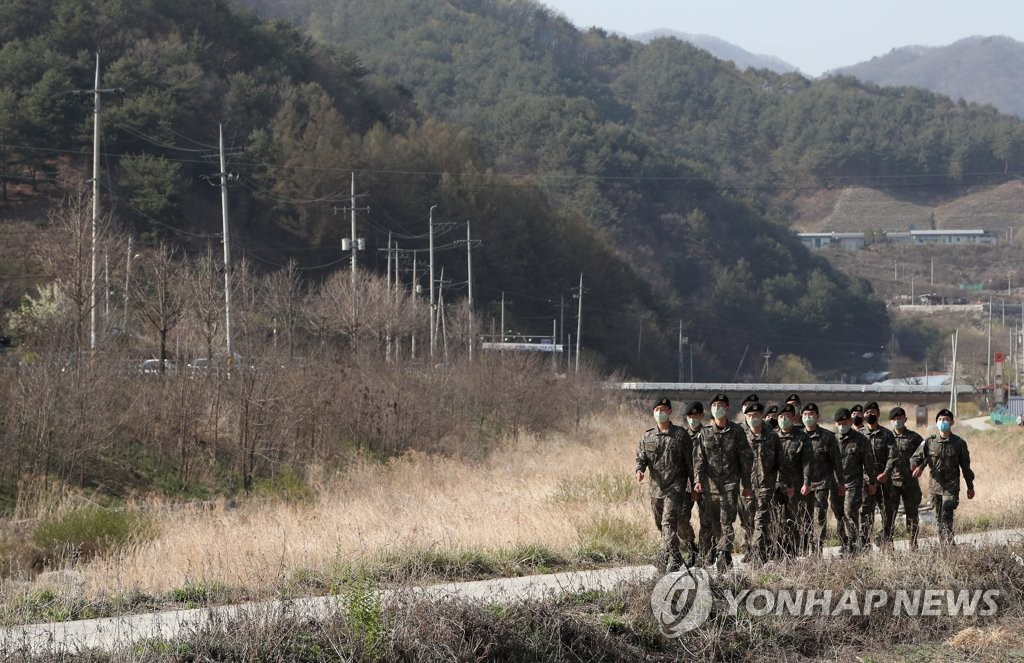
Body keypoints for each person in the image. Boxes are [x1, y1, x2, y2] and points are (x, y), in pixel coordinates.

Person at [693, 393, 753, 569]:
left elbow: (745, 458)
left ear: (727, 408)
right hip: (709, 487)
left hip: (730, 485)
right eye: (714, 406)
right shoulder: (704, 433)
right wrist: (697, 481)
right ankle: (712, 554)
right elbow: (699, 459)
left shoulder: (737, 432)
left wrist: (747, 484)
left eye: (720, 405)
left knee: (727, 521)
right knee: (711, 523)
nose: (717, 408)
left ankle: (724, 554)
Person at [635, 397, 694, 572]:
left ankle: (666, 558)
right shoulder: (648, 436)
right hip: (656, 488)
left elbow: (690, 462)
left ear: (669, 412)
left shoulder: (680, 435)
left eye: (663, 410)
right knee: (661, 524)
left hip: (676, 487)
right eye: (656, 410)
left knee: (669, 522)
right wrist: (639, 470)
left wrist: (694, 484)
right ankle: (676, 555)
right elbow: (641, 458)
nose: (659, 413)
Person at [910, 408, 976, 546]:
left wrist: (970, 487)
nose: (943, 422)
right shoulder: (930, 441)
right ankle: (943, 544)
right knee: (939, 518)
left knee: (947, 511)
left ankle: (950, 542)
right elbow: (916, 457)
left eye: (946, 419)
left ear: (952, 422)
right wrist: (916, 465)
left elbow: (966, 467)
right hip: (935, 487)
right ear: (936, 423)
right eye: (940, 420)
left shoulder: (959, 443)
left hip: (951, 487)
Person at [742, 401, 788, 564]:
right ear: (746, 418)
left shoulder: (772, 437)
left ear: (762, 416)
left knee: (761, 520)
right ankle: (749, 548)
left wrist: (783, 485)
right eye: (750, 416)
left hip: (766, 487)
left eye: (756, 415)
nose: (753, 418)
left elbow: (781, 463)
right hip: (746, 487)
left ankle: (757, 551)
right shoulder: (741, 437)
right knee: (747, 520)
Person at [801, 403, 844, 555]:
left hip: (822, 483)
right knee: (804, 517)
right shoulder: (798, 436)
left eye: (811, 414)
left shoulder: (828, 437)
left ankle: (817, 549)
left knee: (819, 517)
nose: (808, 417)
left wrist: (841, 483)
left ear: (817, 416)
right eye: (805, 414)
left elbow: (837, 462)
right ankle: (803, 547)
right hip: (802, 485)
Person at [833, 407, 877, 555]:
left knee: (850, 513)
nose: (842, 425)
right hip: (836, 484)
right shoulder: (832, 439)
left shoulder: (861, 439)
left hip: (854, 484)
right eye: (839, 423)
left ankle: (853, 544)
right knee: (839, 515)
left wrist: (872, 482)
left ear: (850, 421)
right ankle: (844, 543)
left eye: (845, 422)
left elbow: (869, 463)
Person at [882, 406, 924, 549]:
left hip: (909, 482)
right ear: (891, 421)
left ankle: (913, 544)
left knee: (912, 515)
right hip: (891, 483)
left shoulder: (914, 437)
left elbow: (926, 453)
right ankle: (888, 546)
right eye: (894, 419)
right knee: (889, 515)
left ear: (905, 419)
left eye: (900, 418)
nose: (897, 421)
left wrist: (920, 466)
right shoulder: (886, 437)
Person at [774, 403, 812, 557]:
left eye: (787, 416)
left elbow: (807, 462)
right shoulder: (772, 435)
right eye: (781, 417)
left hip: (795, 486)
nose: (784, 419)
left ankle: (794, 551)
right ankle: (778, 550)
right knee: (776, 519)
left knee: (793, 519)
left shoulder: (802, 437)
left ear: (793, 418)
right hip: (776, 485)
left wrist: (806, 483)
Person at [859, 401, 894, 551]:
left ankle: (887, 543)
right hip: (866, 483)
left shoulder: (887, 434)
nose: (870, 415)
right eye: (867, 413)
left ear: (878, 414)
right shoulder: (859, 435)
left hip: (884, 481)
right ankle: (865, 545)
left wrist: (886, 473)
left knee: (887, 513)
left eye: (873, 412)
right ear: (863, 415)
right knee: (866, 514)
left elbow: (893, 456)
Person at [682, 400, 710, 567]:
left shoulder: (709, 434)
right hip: (686, 484)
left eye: (696, 416)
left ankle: (705, 553)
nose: (692, 419)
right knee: (681, 518)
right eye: (690, 417)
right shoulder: (681, 436)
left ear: (702, 416)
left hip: (706, 483)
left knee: (706, 520)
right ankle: (691, 547)